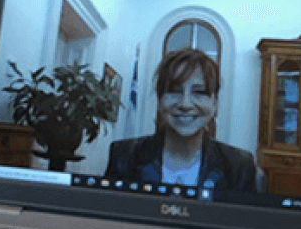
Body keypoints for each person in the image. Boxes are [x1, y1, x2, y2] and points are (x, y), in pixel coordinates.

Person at [105, 48, 261, 192]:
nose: (185, 104)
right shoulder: (124, 156)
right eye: (174, 91)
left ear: (215, 104)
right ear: (160, 100)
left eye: (199, 92)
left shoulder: (239, 166)